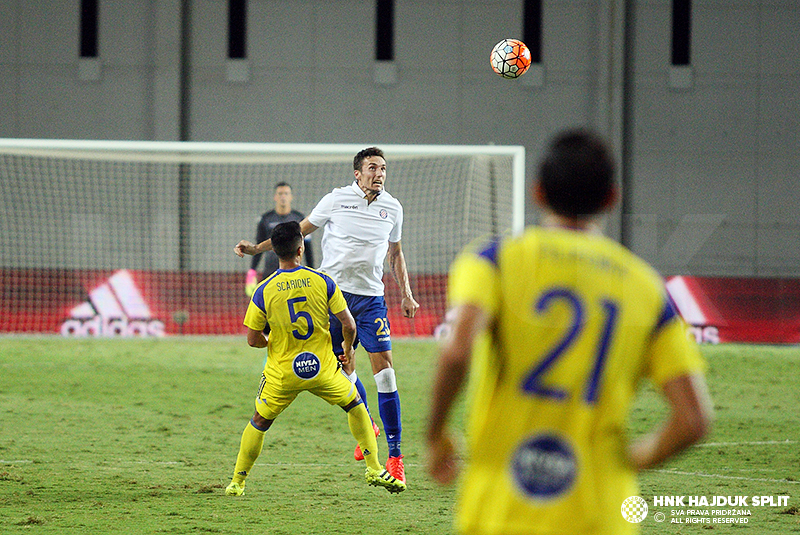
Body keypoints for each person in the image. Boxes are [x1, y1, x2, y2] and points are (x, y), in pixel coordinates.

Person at [426, 129, 713, 535]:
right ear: (612, 198)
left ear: (538, 192)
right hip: (598, 514)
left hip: (500, 508)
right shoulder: (646, 288)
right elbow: (694, 419)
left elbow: (456, 352)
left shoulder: (494, 260)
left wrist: (436, 434)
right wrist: (629, 462)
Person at [235, 147, 419, 487]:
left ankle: (395, 457)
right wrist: (257, 251)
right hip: (332, 298)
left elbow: (395, 253)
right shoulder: (336, 200)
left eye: (383, 168)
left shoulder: (393, 208)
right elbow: (296, 232)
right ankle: (369, 425)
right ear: (357, 173)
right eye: (373, 168)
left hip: (371, 300)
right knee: (341, 370)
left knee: (387, 376)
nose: (379, 173)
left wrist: (406, 292)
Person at [225, 221, 405, 496]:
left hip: (282, 374)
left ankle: (237, 482)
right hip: (322, 369)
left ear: (275, 251)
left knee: (259, 422)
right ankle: (374, 467)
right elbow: (349, 325)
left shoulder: (264, 289)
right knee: (357, 407)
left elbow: (253, 339)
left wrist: (272, 342)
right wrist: (347, 349)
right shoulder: (322, 281)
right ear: (300, 250)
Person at [245, 182, 314, 297]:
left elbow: (308, 249)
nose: (283, 197)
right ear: (275, 197)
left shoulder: (300, 219)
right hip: (271, 270)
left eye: (286, 193)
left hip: (294, 271)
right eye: (280, 193)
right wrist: (252, 271)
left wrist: (312, 270)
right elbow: (259, 246)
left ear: (291, 197)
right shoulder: (265, 219)